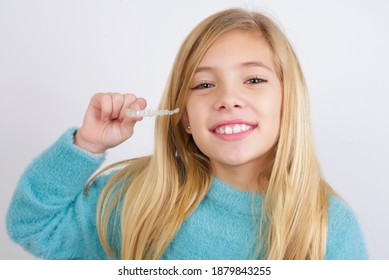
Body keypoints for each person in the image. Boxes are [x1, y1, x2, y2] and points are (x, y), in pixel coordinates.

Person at [6, 8, 368, 260]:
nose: (228, 99)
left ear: (289, 102)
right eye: (204, 84)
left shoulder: (327, 226)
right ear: (185, 118)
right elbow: (32, 227)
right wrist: (86, 145)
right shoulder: (139, 198)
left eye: (254, 80)